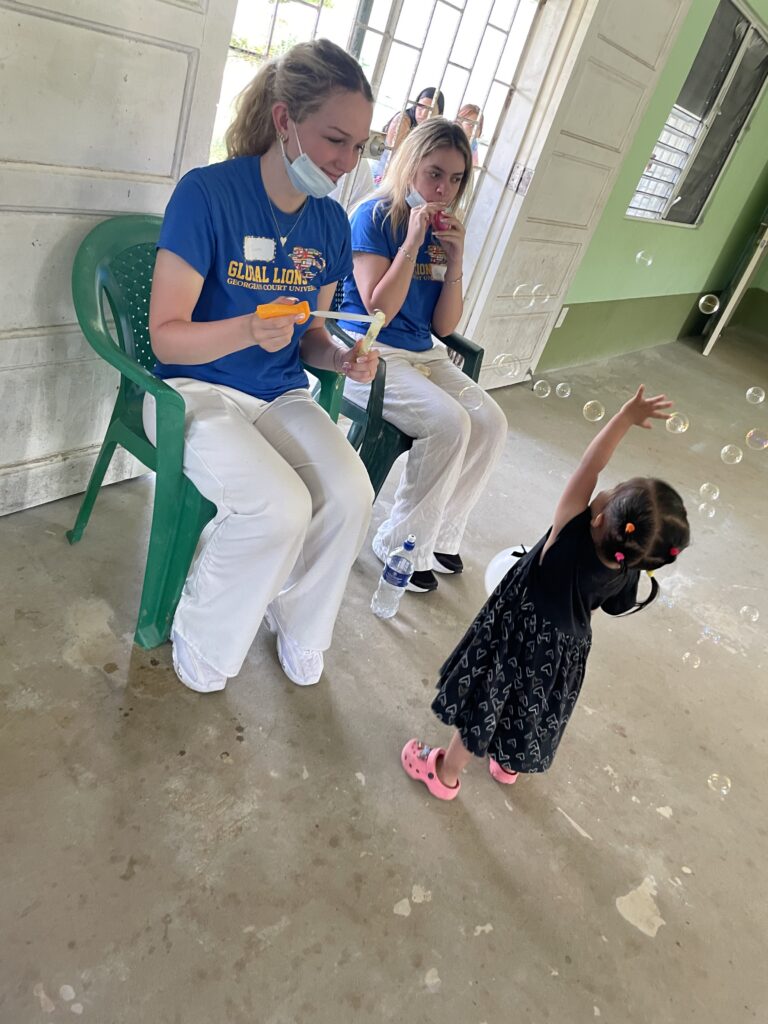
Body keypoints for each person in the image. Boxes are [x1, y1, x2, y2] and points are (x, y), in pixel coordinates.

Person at [143, 39, 378, 693]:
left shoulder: (331, 224)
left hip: (279, 395)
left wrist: (341, 356)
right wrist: (247, 326)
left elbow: (311, 340)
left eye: (360, 147)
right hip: (192, 391)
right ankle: (204, 636)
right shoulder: (207, 194)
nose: (346, 163)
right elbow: (166, 340)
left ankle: (300, 625)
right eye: (335, 139)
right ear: (283, 120)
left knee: (353, 493)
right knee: (278, 506)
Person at [401, 386, 691, 800]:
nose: (602, 488)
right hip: (563, 651)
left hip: (517, 636)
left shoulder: (568, 532)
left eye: (612, 488)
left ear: (599, 519)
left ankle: (444, 773)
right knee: (528, 706)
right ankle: (507, 762)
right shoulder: (628, 566)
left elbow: (591, 464)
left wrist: (625, 417)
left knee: (487, 702)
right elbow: (612, 607)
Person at [339, 118, 508, 593]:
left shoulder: (444, 228)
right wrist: (411, 244)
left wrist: (455, 261)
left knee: (491, 422)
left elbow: (444, 327)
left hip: (423, 353)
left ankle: (438, 536)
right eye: (434, 173)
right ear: (409, 164)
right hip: (369, 353)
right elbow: (380, 310)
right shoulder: (372, 217)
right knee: (450, 422)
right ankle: (401, 543)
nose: (443, 190)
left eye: (455, 179)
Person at [372, 87, 445, 184]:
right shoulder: (402, 121)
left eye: (429, 109)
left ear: (439, 114)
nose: (423, 113)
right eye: (420, 106)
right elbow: (396, 156)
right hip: (383, 178)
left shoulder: (432, 132)